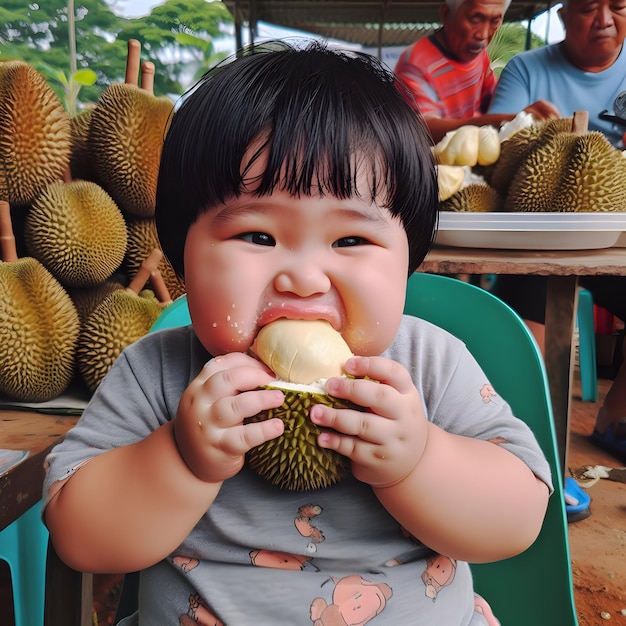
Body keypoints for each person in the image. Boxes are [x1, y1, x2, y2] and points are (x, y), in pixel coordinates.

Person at [43, 41, 551, 625]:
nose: (305, 279)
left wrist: (419, 461)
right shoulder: (157, 373)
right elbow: (81, 538)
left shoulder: (429, 365)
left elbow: (518, 519)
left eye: (351, 240)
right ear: (184, 258)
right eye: (257, 237)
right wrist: (181, 459)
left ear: (407, 261)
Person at [488, 0, 626, 464]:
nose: (605, 19)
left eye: (620, 6)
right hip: (535, 239)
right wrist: (518, 124)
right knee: (525, 331)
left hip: (616, 239)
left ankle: (615, 420)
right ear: (563, 13)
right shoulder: (527, 69)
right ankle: (526, 442)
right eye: (588, 7)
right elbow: (498, 152)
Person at [394, 0, 558, 143]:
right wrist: (507, 120)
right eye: (475, 19)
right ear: (446, 14)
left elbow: (493, 102)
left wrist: (523, 114)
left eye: (494, 21)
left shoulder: (480, 57)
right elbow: (425, 129)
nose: (483, 34)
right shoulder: (414, 63)